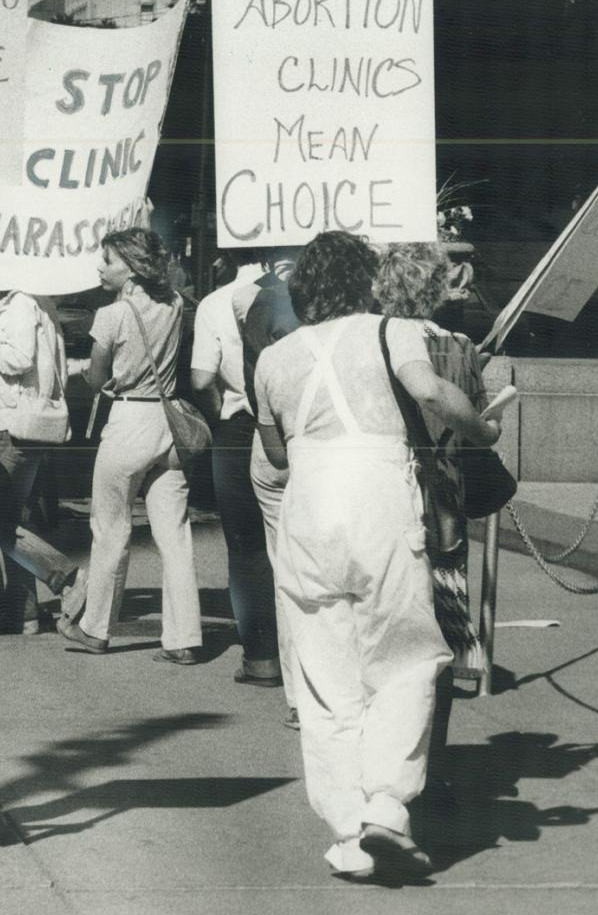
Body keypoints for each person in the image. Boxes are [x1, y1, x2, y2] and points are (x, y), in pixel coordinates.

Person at [251, 231, 499, 882]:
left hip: (307, 510)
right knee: (409, 656)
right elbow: (433, 394)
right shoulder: (391, 331)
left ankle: (349, 832)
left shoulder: (273, 357)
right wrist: (483, 427)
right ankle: (388, 803)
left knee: (327, 679)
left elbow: (276, 454)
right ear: (368, 281)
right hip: (379, 501)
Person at [373, 242, 489, 794]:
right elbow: (476, 410)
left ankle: (383, 750)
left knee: (387, 622)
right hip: (447, 494)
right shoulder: (461, 346)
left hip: (393, 492)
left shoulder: (376, 341)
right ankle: (432, 758)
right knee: (443, 617)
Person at [57, 229, 199, 659]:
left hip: (129, 421)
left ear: (133, 268)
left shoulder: (112, 315)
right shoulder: (174, 304)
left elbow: (98, 379)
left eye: (109, 260)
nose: (100, 266)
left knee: (111, 529)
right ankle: (185, 637)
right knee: (174, 535)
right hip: (171, 420)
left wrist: (88, 374)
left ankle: (96, 627)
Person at [0, 287, 81, 633]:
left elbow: (18, 359)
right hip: (31, 425)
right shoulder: (38, 301)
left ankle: (67, 578)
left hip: (15, 427)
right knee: (17, 522)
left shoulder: (21, 304)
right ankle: (23, 610)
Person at [190, 251, 280, 686]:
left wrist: (220, 413)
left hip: (239, 426)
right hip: (295, 425)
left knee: (246, 546)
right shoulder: (297, 296)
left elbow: (202, 379)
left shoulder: (214, 303)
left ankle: (262, 655)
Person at [240, 247, 304, 729]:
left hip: (280, 441)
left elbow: (257, 385)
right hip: (320, 447)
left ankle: (302, 694)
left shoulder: (263, 303)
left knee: (290, 573)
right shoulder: (356, 313)